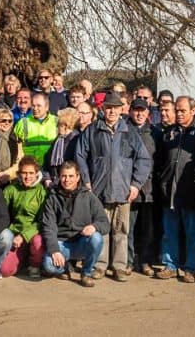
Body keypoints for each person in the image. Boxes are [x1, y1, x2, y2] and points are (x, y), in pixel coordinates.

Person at [74, 91, 151, 282]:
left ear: (121, 109)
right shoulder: (92, 130)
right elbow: (80, 155)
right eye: (108, 107)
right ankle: (99, 266)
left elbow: (143, 159)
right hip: (98, 191)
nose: (111, 111)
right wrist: (86, 180)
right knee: (101, 229)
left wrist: (135, 185)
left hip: (123, 191)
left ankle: (119, 266)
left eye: (115, 108)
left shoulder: (130, 132)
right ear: (102, 108)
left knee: (121, 231)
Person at [154, 95, 195, 283]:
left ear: (193, 111)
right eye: (176, 110)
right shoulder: (169, 133)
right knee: (170, 232)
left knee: (193, 233)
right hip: (169, 191)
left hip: (192, 192)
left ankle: (190, 268)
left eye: (182, 110)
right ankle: (170, 264)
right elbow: (160, 160)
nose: (178, 114)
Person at [40, 161, 109, 288]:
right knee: (49, 266)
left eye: (71, 176)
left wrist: (94, 226)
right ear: (59, 177)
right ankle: (64, 267)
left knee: (97, 238)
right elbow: (48, 226)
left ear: (78, 177)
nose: (67, 180)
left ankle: (86, 273)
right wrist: (54, 250)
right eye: (64, 176)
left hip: (81, 243)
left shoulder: (89, 197)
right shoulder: (52, 198)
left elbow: (104, 223)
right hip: (61, 244)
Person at [126, 97, 158, 276]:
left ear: (148, 113)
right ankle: (129, 261)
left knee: (147, 229)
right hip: (128, 188)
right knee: (129, 228)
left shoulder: (155, 133)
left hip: (149, 190)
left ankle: (145, 261)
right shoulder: (123, 130)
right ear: (130, 111)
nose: (139, 114)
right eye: (136, 110)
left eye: (143, 111)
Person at [0, 156, 47, 277]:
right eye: (24, 173)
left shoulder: (42, 192)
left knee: (38, 241)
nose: (27, 177)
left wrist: (24, 236)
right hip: (15, 236)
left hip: (33, 234)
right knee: (5, 270)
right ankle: (21, 258)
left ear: (37, 174)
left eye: (31, 173)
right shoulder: (11, 189)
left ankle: (34, 264)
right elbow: (1, 213)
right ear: (19, 173)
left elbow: (42, 221)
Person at [14, 92, 58, 167]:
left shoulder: (56, 122)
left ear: (47, 107)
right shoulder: (22, 123)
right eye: (33, 106)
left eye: (39, 106)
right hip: (28, 168)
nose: (35, 108)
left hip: (51, 167)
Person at [43, 107, 79, 187]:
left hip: (68, 185)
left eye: (59, 124)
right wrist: (47, 178)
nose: (56, 126)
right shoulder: (58, 140)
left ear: (65, 125)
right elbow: (47, 161)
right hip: (54, 183)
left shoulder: (76, 141)